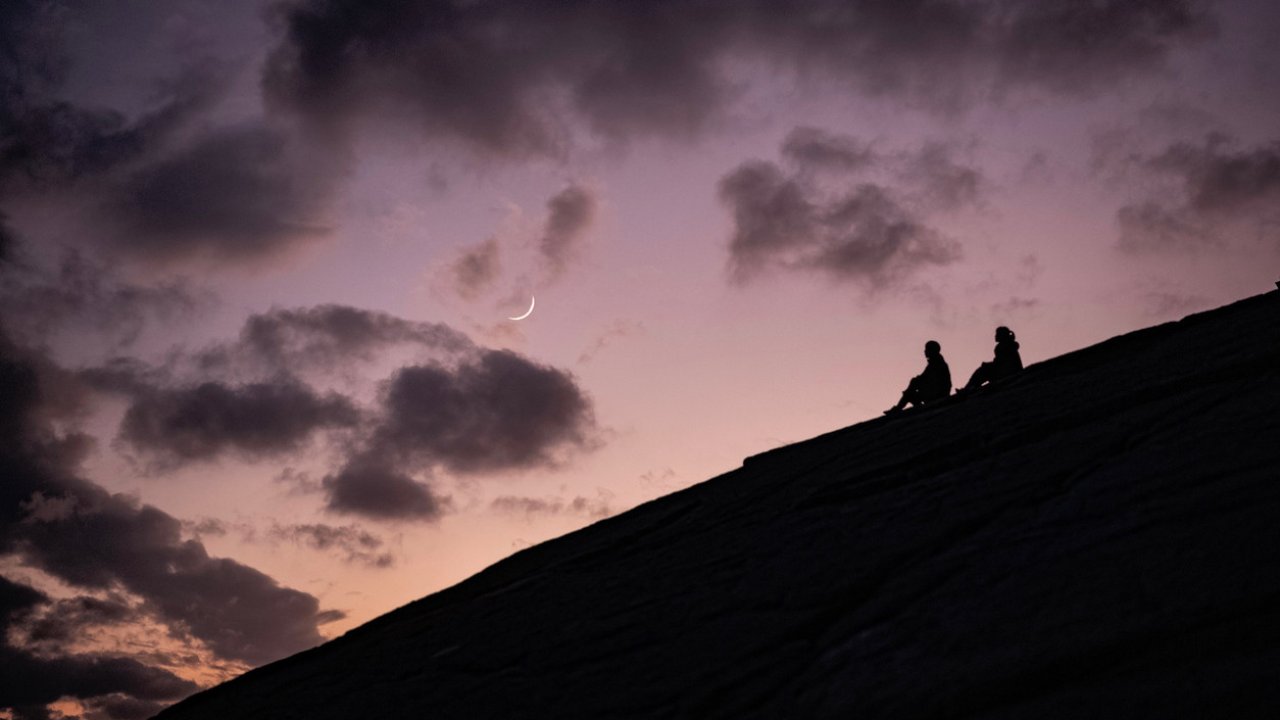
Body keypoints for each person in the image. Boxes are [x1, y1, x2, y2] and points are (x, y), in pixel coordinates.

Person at [884, 340, 952, 414]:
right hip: (932, 392)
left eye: (927, 349)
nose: (925, 351)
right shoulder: (934, 363)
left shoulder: (938, 364)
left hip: (937, 394)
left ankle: (898, 408)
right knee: (912, 388)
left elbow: (931, 380)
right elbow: (924, 378)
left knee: (913, 383)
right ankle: (899, 407)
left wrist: (917, 383)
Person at [961, 326, 1022, 393]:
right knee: (983, 370)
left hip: (1008, 372)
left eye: (997, 334)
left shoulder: (1004, 346)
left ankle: (968, 389)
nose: (995, 336)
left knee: (982, 370)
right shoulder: (1007, 345)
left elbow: (1000, 363)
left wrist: (987, 365)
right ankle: (969, 388)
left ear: (1001, 335)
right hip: (1007, 371)